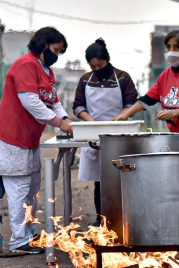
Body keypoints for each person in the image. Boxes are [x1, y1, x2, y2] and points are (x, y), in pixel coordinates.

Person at [113, 30, 179, 233]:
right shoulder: (166, 75)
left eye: (177, 48)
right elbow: (149, 98)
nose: (172, 52)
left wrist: (174, 114)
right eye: (169, 47)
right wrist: (126, 114)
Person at [0, 27, 73, 254]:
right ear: (43, 44)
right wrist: (59, 122)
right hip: (11, 137)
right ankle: (19, 240)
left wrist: (65, 118)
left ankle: (28, 233)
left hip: (29, 139)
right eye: (55, 50)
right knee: (19, 189)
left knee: (32, 189)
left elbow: (53, 101)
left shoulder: (47, 71)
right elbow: (31, 102)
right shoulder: (25, 65)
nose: (57, 56)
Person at [73, 38, 138, 227]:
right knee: (100, 181)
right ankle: (101, 219)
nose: (97, 69)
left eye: (100, 65)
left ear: (107, 60)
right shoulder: (85, 79)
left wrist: (120, 118)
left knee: (120, 178)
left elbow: (131, 103)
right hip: (94, 135)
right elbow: (78, 106)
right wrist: (91, 122)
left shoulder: (123, 77)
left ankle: (121, 219)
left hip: (119, 133)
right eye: (93, 67)